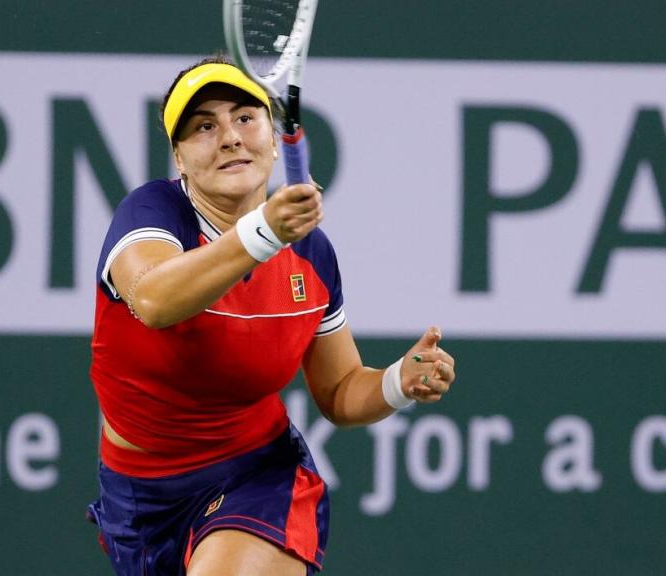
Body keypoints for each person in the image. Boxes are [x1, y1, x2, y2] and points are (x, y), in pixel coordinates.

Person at [87, 56, 456, 576]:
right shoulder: (153, 213)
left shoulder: (311, 254)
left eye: (245, 117)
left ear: (270, 132)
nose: (231, 137)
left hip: (255, 476)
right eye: (204, 127)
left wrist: (399, 381)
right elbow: (154, 300)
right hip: (137, 496)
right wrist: (263, 233)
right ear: (179, 158)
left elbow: (340, 390)